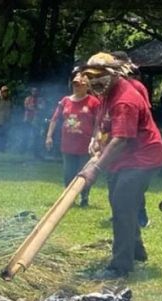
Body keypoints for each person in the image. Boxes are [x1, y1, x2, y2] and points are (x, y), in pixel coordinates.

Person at [77, 53, 162, 280]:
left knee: (122, 208)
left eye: (99, 76)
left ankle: (120, 267)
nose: (94, 82)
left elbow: (120, 140)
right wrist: (95, 139)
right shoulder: (108, 92)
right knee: (122, 204)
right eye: (90, 76)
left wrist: (95, 169)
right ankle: (136, 252)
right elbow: (102, 119)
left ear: (114, 73)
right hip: (124, 159)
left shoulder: (125, 99)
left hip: (142, 158)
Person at [45, 71, 101, 207]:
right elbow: (54, 119)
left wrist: (95, 139)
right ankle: (69, 199)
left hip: (85, 145)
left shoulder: (94, 102)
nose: (76, 87)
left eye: (80, 84)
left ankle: (84, 198)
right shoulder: (65, 101)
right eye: (74, 84)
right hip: (68, 144)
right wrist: (49, 136)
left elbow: (98, 123)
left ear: (87, 86)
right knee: (68, 173)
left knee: (84, 172)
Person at [111, 51, 151, 227]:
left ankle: (141, 217)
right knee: (114, 181)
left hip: (135, 145)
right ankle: (119, 214)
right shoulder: (110, 89)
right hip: (115, 142)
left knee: (132, 184)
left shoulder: (137, 87)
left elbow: (145, 114)